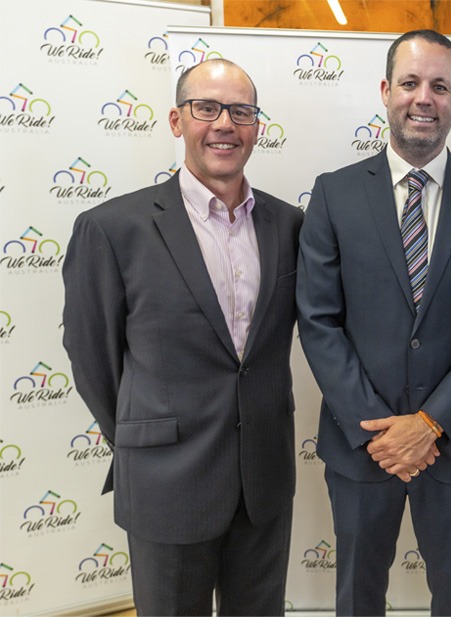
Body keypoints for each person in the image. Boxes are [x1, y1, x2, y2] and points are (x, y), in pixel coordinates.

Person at [296, 29, 451, 616]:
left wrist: (430, 422)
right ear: (385, 90)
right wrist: (382, 432)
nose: (424, 97)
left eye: (439, 86)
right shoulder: (333, 194)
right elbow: (319, 321)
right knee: (356, 596)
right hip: (361, 446)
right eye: (410, 82)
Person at [62, 59, 302, 616]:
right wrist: (141, 429)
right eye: (207, 108)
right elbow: (93, 357)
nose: (225, 124)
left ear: (257, 126)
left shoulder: (290, 227)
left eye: (241, 111)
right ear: (176, 120)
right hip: (166, 483)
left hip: (263, 482)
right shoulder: (111, 228)